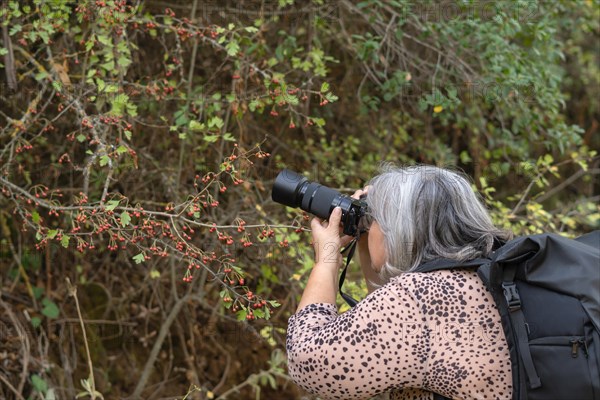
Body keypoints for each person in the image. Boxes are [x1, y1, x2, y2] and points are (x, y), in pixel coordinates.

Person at [286, 164, 514, 400]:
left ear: (399, 229)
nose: (370, 226)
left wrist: (327, 259)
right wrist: (363, 235)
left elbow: (307, 362)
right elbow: (387, 315)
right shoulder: (491, 276)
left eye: (375, 220)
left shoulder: (418, 298)